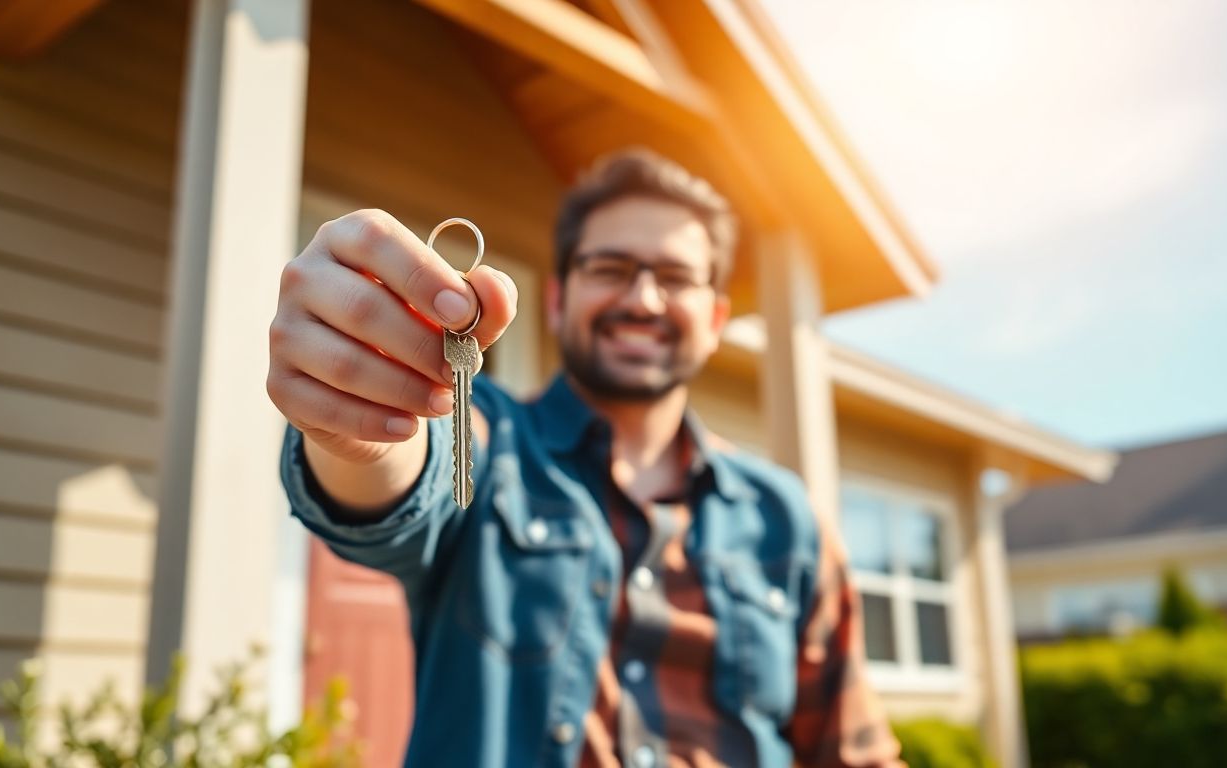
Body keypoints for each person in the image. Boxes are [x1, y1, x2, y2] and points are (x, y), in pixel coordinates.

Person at [267, 149, 903, 767]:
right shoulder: (488, 436)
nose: (644, 299)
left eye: (675, 278)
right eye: (610, 268)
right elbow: (404, 476)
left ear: (714, 319)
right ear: (557, 299)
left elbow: (852, 751)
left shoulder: (786, 517)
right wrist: (360, 423)